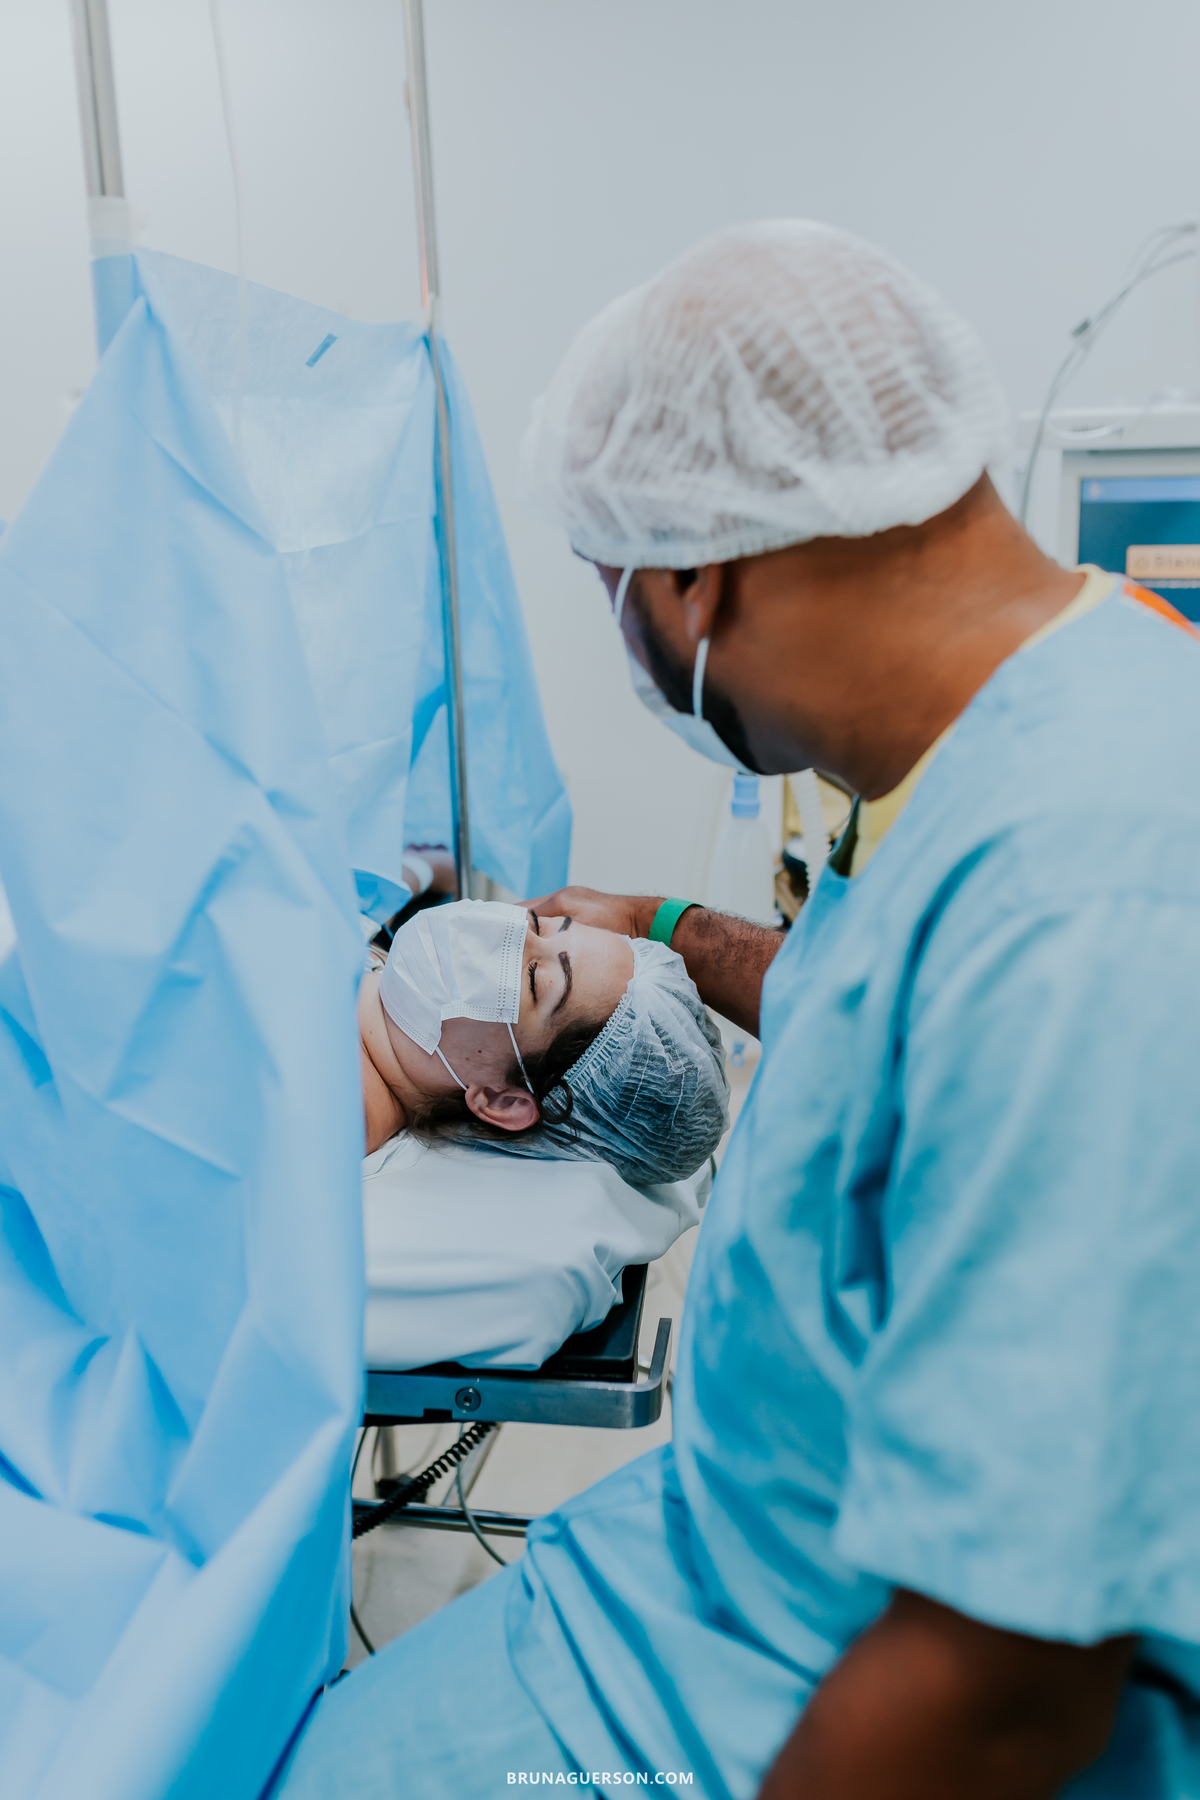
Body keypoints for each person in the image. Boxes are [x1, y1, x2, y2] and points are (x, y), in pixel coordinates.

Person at [279, 220, 1200, 1799]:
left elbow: (998, 1681)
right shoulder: (994, 734)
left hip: (813, 1677)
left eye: (607, 588)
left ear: (697, 572)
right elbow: (875, 995)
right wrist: (659, 927)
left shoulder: (1093, 896)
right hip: (719, 1567)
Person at [358, 897, 729, 1185]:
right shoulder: (380, 987)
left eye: (535, 978)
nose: (514, 932)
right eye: (543, 925)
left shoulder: (336, 1107)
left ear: (502, 1101)